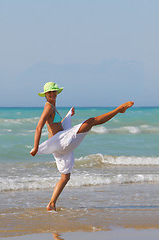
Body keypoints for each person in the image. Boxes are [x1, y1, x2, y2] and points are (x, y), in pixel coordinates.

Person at [30, 82, 134, 211]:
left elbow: (56, 127)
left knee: (65, 177)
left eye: (54, 91)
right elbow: (39, 127)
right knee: (91, 121)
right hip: (60, 142)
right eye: (49, 92)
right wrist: (35, 147)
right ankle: (119, 109)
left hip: (59, 146)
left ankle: (51, 203)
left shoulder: (52, 107)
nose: (52, 94)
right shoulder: (48, 107)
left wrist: (68, 117)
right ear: (45, 95)